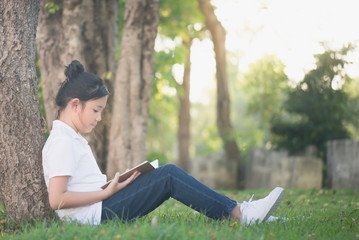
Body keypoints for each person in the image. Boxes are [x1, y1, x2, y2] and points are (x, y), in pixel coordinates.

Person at [42, 60, 284, 225]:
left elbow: (78, 187)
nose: (99, 118)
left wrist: (116, 183)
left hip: (101, 206)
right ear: (75, 104)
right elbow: (57, 199)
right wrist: (107, 192)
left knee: (162, 173)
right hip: (98, 214)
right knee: (168, 175)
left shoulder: (71, 139)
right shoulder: (63, 141)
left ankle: (241, 212)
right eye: (96, 110)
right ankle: (241, 213)